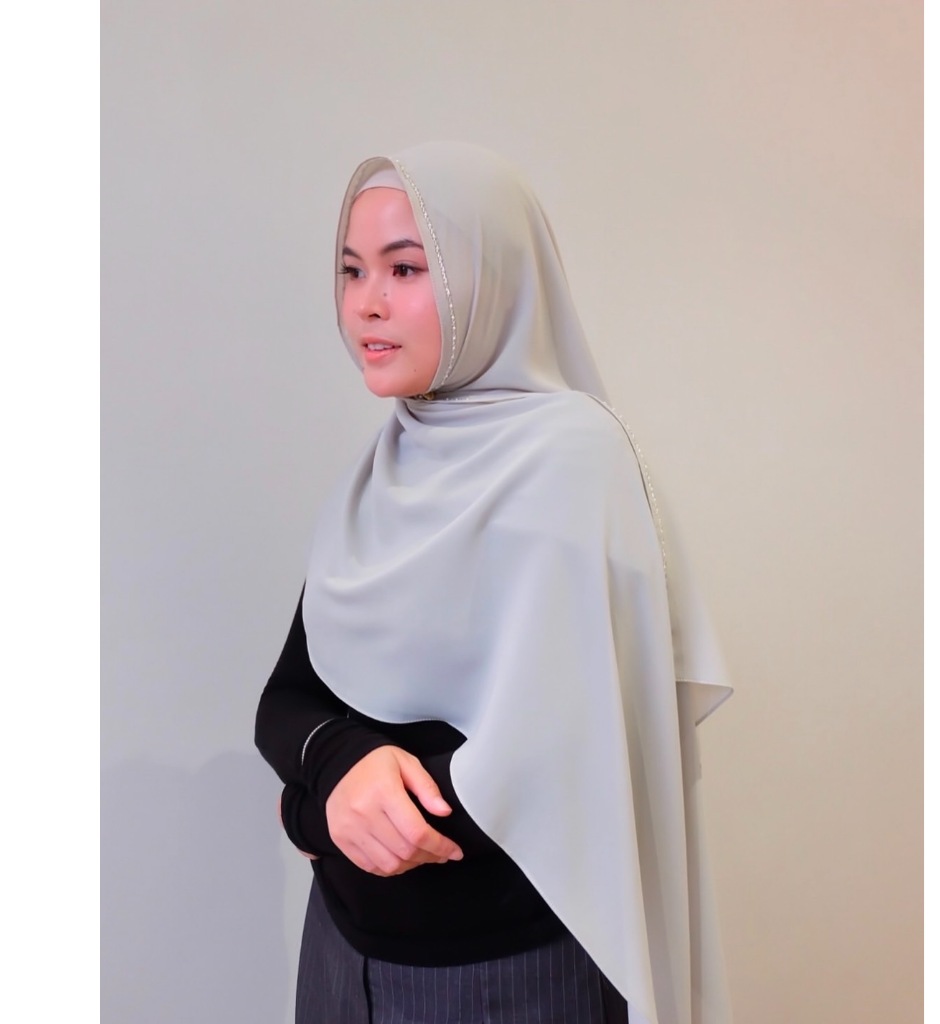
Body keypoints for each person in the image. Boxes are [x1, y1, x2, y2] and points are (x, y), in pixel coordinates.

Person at [255, 141, 733, 1024]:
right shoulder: (388, 466)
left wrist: (309, 816)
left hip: (503, 978)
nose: (366, 302)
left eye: (406, 268)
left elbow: (551, 761)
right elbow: (288, 698)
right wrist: (338, 763)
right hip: (340, 956)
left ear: (491, 278)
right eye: (352, 270)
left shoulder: (573, 460)